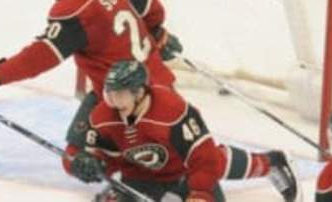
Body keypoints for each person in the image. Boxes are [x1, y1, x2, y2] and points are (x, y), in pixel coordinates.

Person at [0, 0, 183, 166]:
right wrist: (156, 31)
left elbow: (39, 57)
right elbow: (151, 7)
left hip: (124, 101)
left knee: (74, 158)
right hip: (164, 87)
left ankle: (131, 172)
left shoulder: (74, 13)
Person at [63, 60, 299, 202]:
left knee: (214, 160)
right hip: (141, 178)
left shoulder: (172, 112)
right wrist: (87, 163)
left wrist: (199, 196)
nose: (113, 101)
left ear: (139, 92)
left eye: (120, 94)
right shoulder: (104, 116)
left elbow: (203, 161)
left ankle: (271, 163)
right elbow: (104, 157)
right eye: (110, 93)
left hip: (183, 175)